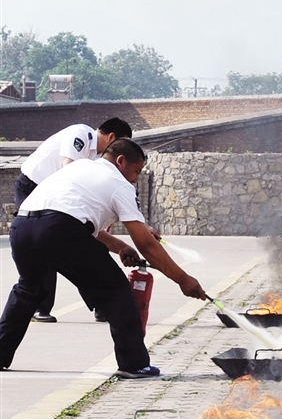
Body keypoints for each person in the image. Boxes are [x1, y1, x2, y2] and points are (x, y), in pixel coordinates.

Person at [0, 138, 206, 378]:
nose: (135, 179)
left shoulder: (80, 167)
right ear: (121, 161)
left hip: (23, 225)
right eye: (136, 171)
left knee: (28, 290)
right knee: (115, 290)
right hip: (60, 229)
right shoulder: (119, 183)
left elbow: (77, 218)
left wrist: (119, 246)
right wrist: (182, 279)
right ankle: (134, 363)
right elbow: (147, 245)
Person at [15, 118, 133, 323]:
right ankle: (39, 306)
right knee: (47, 244)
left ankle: (101, 303)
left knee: (83, 245)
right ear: (112, 138)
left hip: (58, 199)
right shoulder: (80, 134)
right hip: (33, 188)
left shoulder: (98, 157)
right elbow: (70, 173)